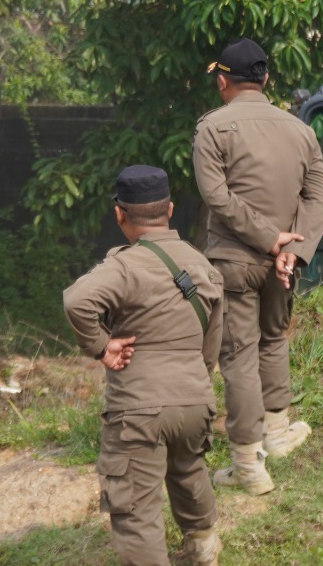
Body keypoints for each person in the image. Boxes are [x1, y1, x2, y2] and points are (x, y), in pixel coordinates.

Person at [63, 165, 225, 566]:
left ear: (120, 215)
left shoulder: (124, 266)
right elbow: (213, 343)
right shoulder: (203, 265)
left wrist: (101, 346)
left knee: (135, 508)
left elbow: (76, 301)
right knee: (187, 467)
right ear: (169, 209)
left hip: (139, 407)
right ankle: (203, 545)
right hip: (194, 398)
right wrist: (194, 385)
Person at [192, 39, 323, 495]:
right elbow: (318, 196)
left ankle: (248, 462)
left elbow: (217, 197)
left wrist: (268, 240)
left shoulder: (212, 129)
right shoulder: (299, 129)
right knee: (274, 339)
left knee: (238, 355)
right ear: (266, 79)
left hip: (235, 259)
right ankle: (278, 430)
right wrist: (291, 248)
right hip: (283, 262)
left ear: (222, 80)